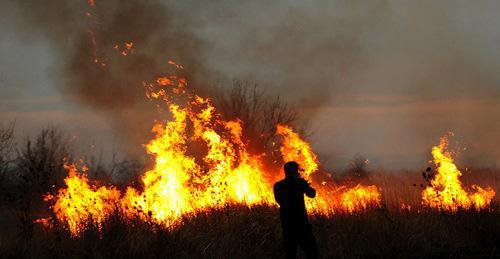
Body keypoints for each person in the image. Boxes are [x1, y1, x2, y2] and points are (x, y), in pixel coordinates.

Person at [274, 161, 318, 259]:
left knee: (290, 253)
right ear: (295, 171)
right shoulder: (300, 183)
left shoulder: (278, 185)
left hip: (287, 224)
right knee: (312, 252)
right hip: (301, 224)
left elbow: (279, 201)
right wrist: (304, 184)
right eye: (297, 170)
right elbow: (312, 194)